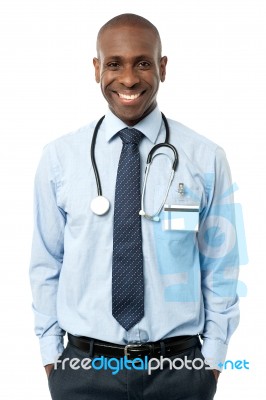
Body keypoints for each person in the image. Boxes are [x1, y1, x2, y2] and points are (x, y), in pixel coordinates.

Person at [30, 13, 240, 400]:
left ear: (162, 67)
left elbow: (221, 268)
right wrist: (51, 359)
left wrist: (211, 361)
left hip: (179, 374)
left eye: (143, 63)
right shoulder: (60, 159)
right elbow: (46, 264)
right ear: (97, 69)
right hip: (82, 373)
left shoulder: (205, 159)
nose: (128, 79)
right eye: (114, 64)